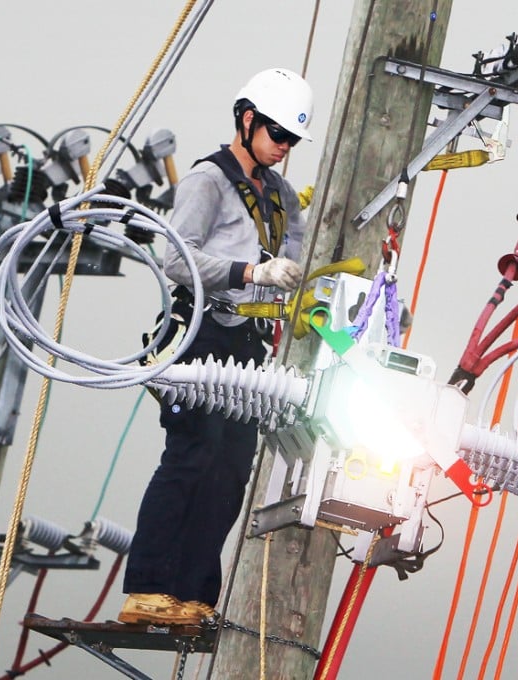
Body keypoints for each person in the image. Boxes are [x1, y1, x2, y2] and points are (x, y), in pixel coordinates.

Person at [119, 68, 314, 625]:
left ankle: (193, 593)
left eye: (291, 141)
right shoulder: (208, 180)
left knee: (231, 466)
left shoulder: (280, 197)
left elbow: (294, 259)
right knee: (192, 454)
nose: (283, 149)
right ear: (248, 120)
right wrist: (251, 270)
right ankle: (148, 587)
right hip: (203, 329)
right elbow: (176, 259)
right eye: (278, 135)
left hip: (247, 344)